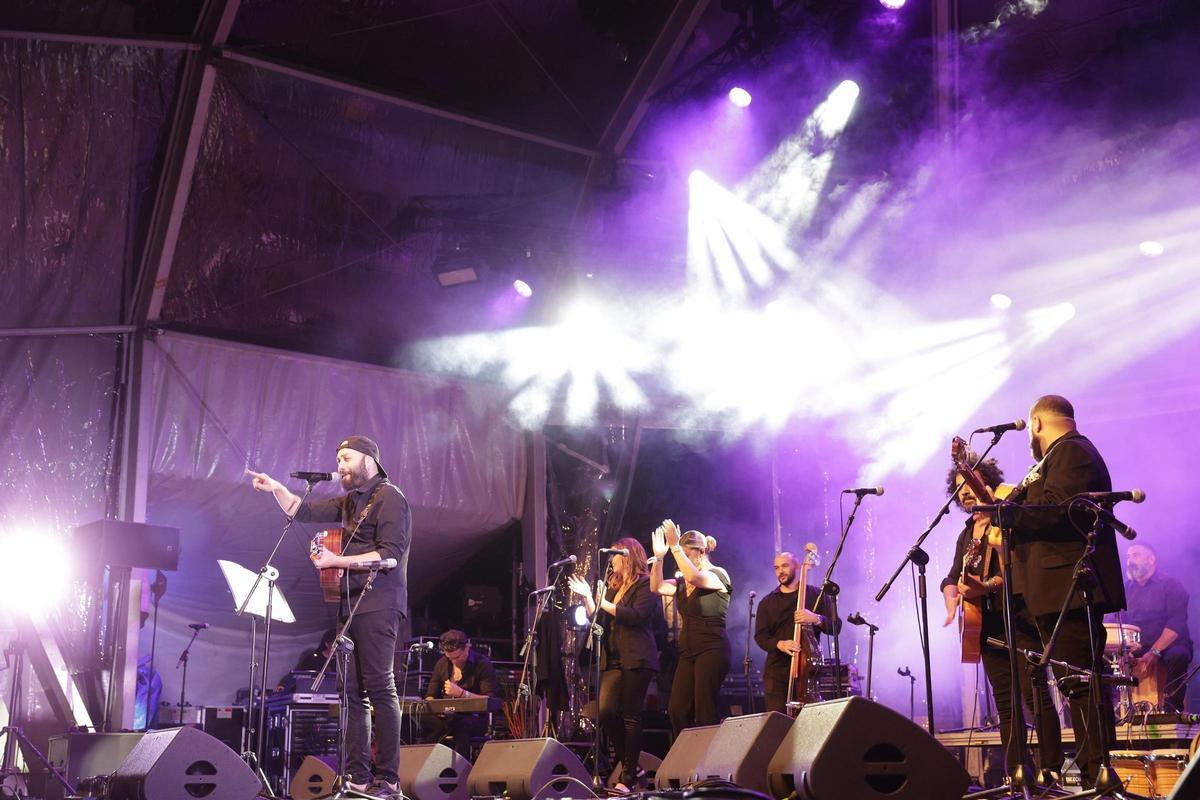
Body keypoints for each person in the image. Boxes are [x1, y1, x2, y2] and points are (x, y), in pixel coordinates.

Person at [248, 435, 411, 799]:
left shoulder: (390, 498)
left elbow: (390, 557)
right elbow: (299, 511)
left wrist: (337, 561)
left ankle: (389, 780)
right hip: (349, 606)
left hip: (380, 604)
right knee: (350, 693)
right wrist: (276, 487)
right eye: (338, 458)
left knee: (381, 688)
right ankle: (357, 777)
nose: (340, 464)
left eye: (346, 457)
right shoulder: (350, 502)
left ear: (369, 459)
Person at [1005, 395, 1126, 788]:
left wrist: (1008, 513)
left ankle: (1098, 779)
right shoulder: (1055, 458)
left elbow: (1058, 510)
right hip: (1056, 589)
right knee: (1075, 682)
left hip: (1071, 588)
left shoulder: (1072, 454)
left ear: (1036, 423)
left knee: (1079, 682)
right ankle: (1097, 776)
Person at [939, 455, 1063, 779]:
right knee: (1005, 703)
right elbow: (951, 577)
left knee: (1034, 694)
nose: (964, 492)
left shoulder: (1004, 518)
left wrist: (988, 586)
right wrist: (952, 599)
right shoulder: (966, 533)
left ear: (986, 482)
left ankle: (1051, 768)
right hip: (986, 625)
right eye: (958, 488)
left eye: (969, 483)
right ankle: (1018, 771)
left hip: (1019, 618)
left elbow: (1019, 567)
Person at [568, 537, 660, 792]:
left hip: (637, 657)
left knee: (631, 715)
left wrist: (601, 602)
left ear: (629, 557)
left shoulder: (645, 584)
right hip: (613, 659)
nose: (612, 560)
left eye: (616, 555)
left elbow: (635, 616)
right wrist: (588, 597)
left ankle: (628, 778)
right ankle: (632, 766)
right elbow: (597, 614)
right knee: (606, 712)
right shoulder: (613, 586)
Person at [650, 520, 731, 738]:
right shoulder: (682, 584)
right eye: (680, 555)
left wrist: (675, 547)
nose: (680, 561)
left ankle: (711, 765)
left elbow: (695, 576)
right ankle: (687, 761)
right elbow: (656, 587)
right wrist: (659, 558)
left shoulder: (717, 574)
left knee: (705, 709)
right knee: (677, 709)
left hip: (711, 647)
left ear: (701, 552)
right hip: (688, 649)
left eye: (686, 554)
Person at [755, 552, 839, 714]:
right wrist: (780, 644)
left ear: (798, 567)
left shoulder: (816, 595)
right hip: (776, 672)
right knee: (777, 725)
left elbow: (836, 628)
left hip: (808, 673)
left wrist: (816, 618)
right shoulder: (767, 602)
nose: (780, 571)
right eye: (776, 568)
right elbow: (760, 636)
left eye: (785, 565)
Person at [1120, 542, 1193, 711]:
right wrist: (1125, 651)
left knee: (1178, 656)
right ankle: (1121, 711)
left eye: (1136, 555)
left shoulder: (1171, 585)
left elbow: (1176, 625)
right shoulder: (1125, 589)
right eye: (1128, 557)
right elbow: (1118, 622)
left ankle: (1171, 709)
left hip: (1169, 645)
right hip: (1138, 645)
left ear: (1151, 559)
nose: (1130, 560)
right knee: (1106, 662)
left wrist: (1154, 652)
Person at [423, 630, 498, 758]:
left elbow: (489, 699)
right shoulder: (442, 663)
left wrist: (463, 694)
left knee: (461, 726)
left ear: (466, 648)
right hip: (446, 717)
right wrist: (436, 709)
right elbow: (430, 695)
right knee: (421, 722)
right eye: (450, 658)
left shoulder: (482, 664)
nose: (454, 661)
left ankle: (459, 769)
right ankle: (428, 764)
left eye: (457, 657)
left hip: (473, 718)